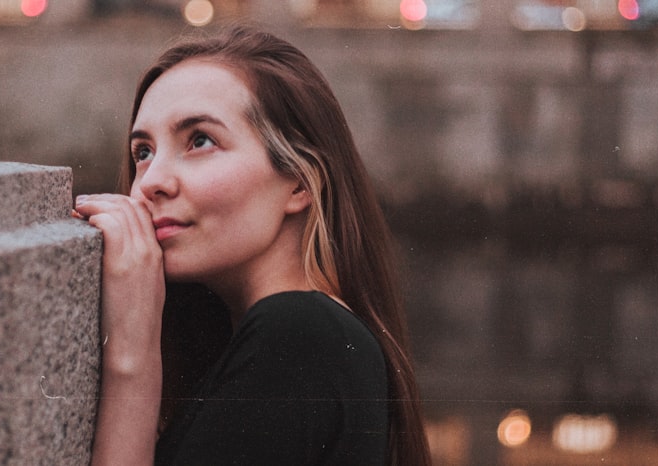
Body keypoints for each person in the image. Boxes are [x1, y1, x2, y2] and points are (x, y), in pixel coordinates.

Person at [74, 26, 431, 466]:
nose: (150, 183)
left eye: (199, 140)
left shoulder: (301, 336)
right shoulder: (297, 335)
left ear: (299, 182)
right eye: (143, 151)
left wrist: (131, 362)